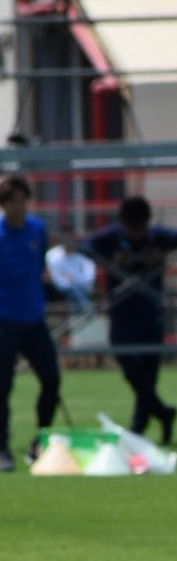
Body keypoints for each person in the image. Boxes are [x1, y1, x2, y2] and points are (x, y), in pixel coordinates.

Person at [80, 196, 177, 444]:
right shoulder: (111, 237)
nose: (136, 235)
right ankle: (162, 412)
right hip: (121, 313)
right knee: (131, 370)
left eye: (140, 229)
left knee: (149, 374)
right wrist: (111, 259)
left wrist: (159, 253)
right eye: (132, 230)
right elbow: (84, 247)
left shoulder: (156, 236)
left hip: (150, 313)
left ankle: (138, 428)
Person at [0, 176, 62, 472]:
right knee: (2, 386)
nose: (18, 207)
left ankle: (42, 440)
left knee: (51, 380)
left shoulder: (37, 229)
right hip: (4, 320)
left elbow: (38, 267)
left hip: (33, 317)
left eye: (23, 200)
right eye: (13, 201)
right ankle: (2, 449)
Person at [45, 240, 96, 323]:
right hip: (63, 286)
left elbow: (86, 273)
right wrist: (69, 281)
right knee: (74, 288)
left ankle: (76, 315)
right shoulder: (56, 259)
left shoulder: (79, 258)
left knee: (75, 291)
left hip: (79, 285)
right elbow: (57, 278)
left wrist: (76, 280)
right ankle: (87, 308)